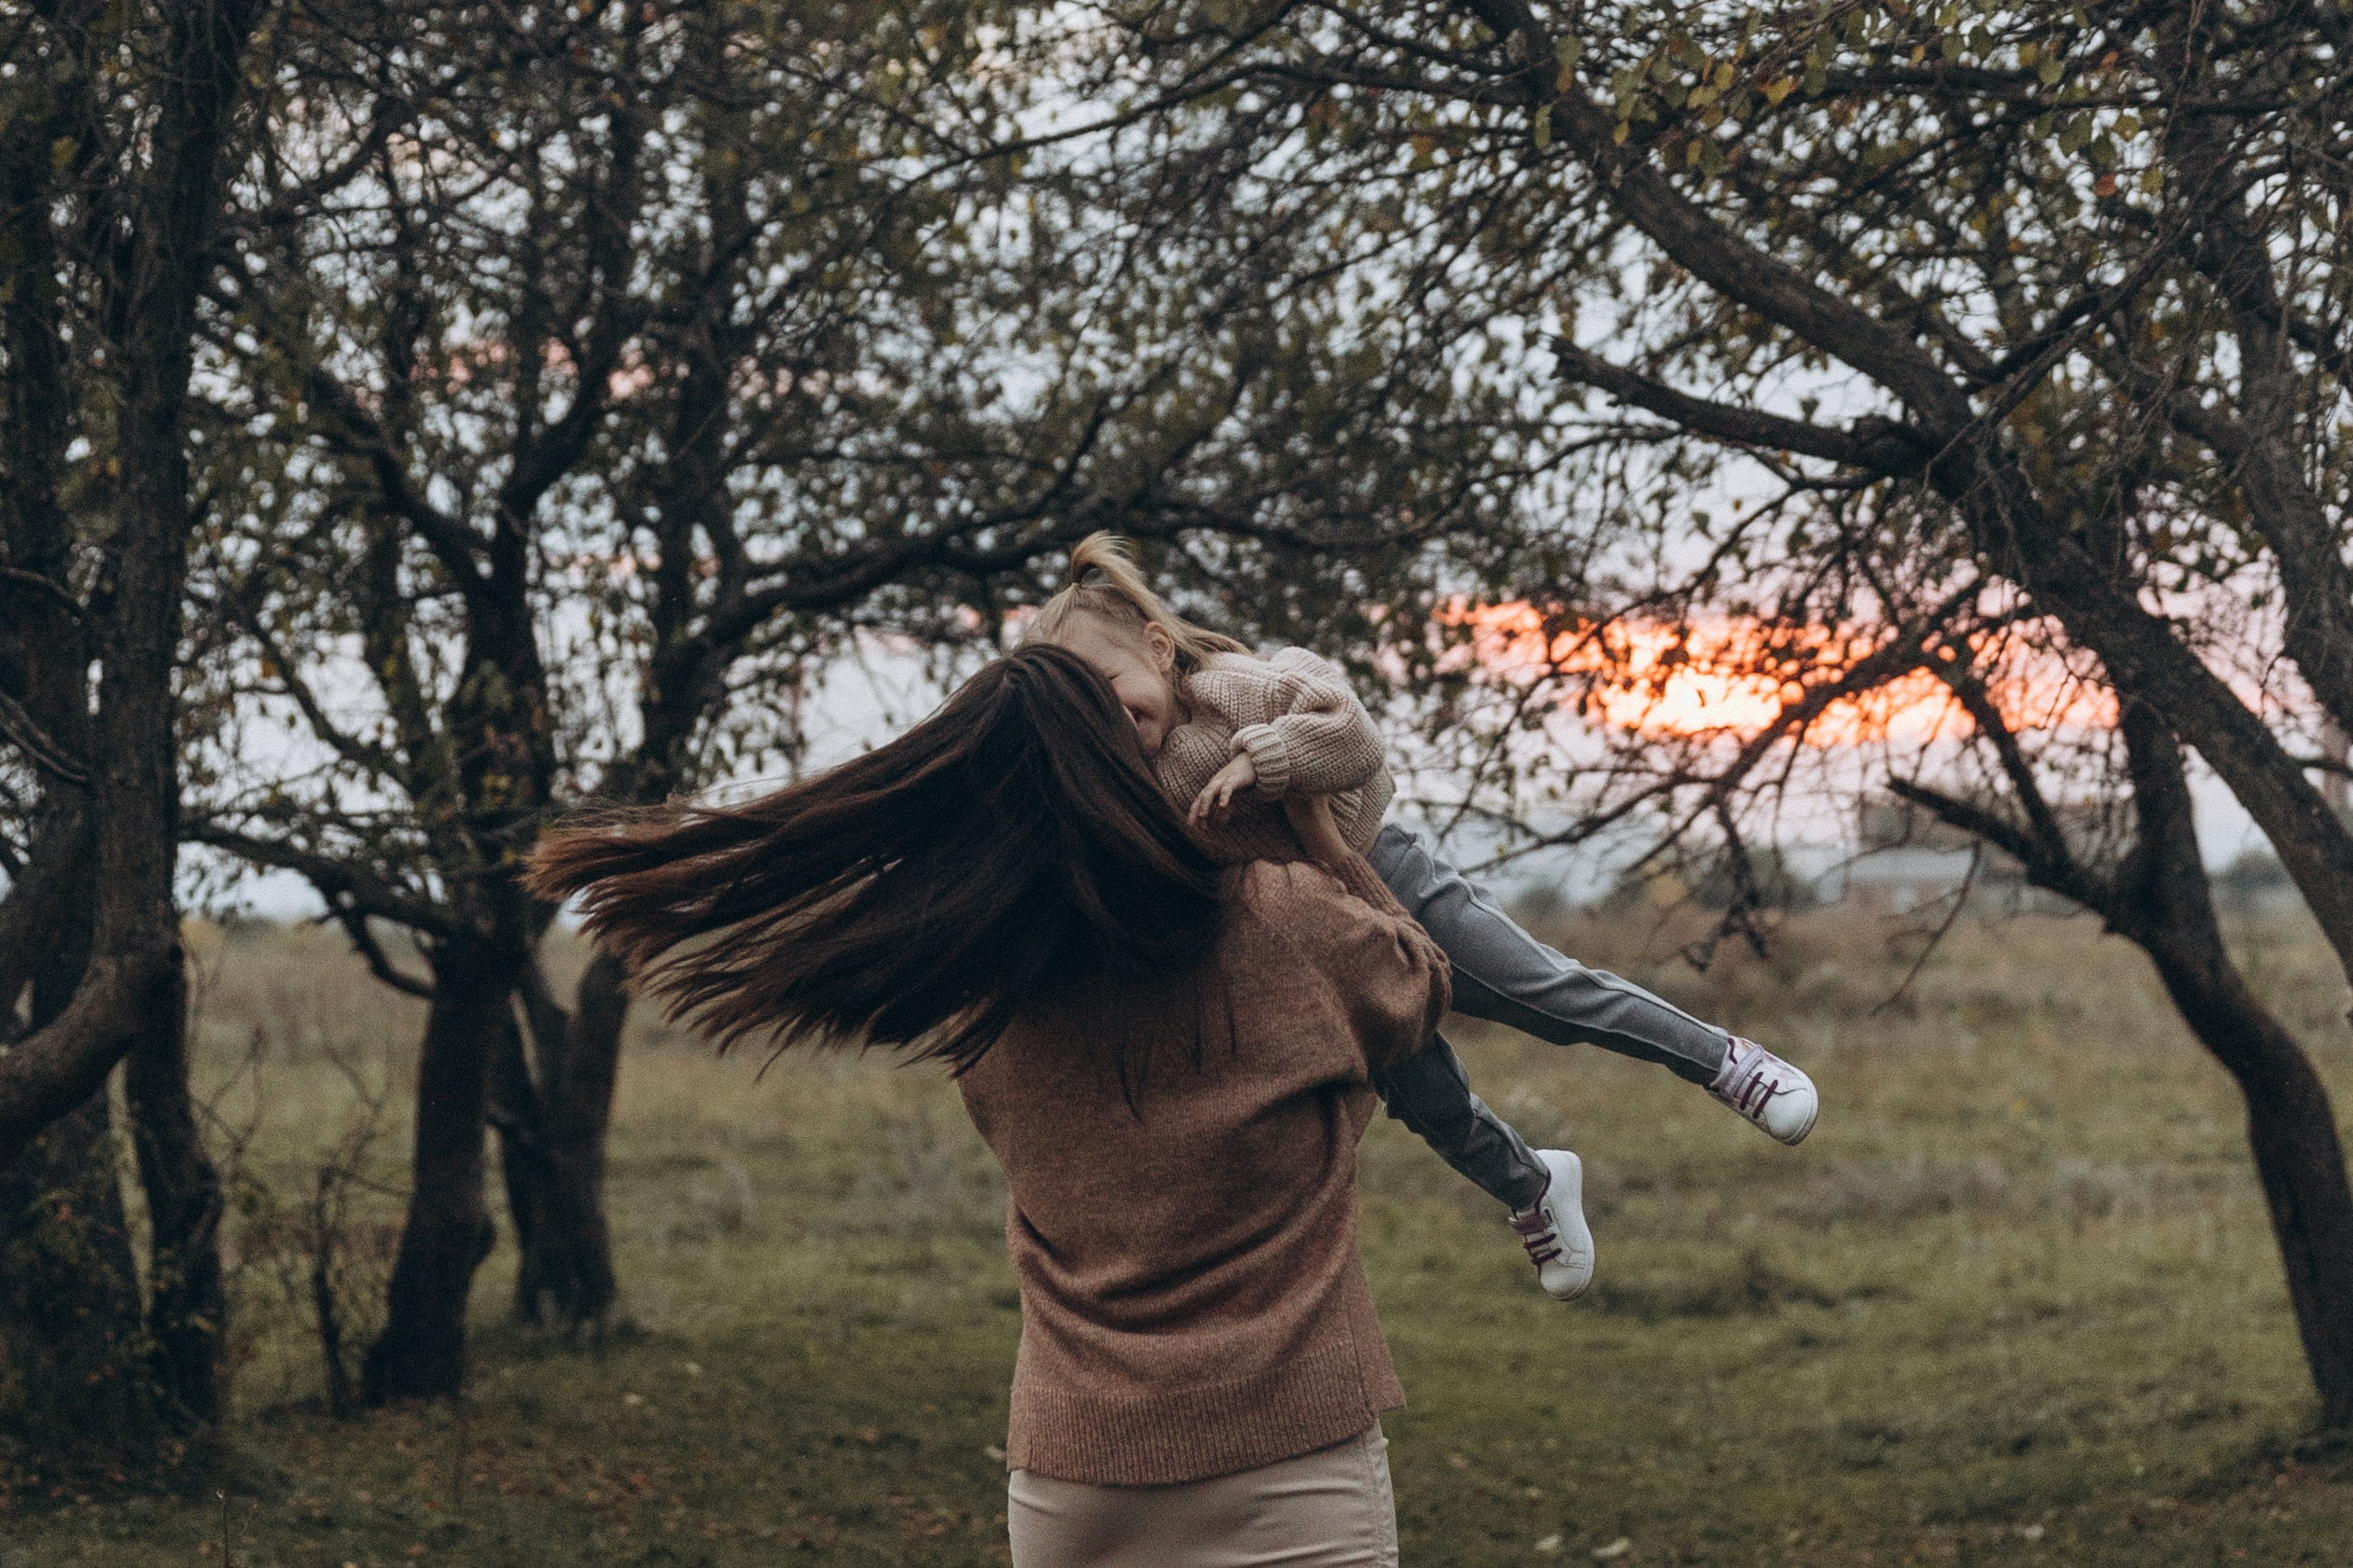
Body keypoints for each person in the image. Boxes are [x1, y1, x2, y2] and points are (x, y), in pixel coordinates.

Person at [526, 645, 1447, 1568]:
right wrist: (1321, 843)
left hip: (1070, 1485)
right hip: (1284, 1465)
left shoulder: (988, 983)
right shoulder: (1282, 914)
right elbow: (1415, 988)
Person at [1028, 534, 1820, 1302]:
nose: (1108, 714)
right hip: (1321, 946)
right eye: (1081, 709)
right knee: (1425, 1097)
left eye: (1109, 684)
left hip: (1388, 872)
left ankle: (1725, 1061)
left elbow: (1353, 737)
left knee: (1544, 991)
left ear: (1159, 648)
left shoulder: (1235, 686)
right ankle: (1534, 1184)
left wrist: (1262, 757)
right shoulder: (1131, 786)